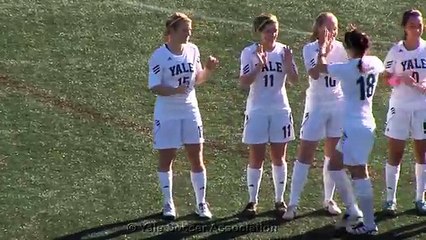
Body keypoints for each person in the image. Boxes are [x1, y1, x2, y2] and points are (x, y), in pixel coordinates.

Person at [147, 12, 219, 220]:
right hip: (167, 113)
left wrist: (208, 70)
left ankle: (201, 203)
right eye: (185, 30)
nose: (189, 34)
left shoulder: (193, 50)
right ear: (172, 31)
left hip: (190, 110)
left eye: (190, 30)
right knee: (166, 158)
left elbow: (197, 79)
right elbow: (155, 87)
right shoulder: (158, 56)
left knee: (196, 157)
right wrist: (174, 91)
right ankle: (168, 204)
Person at [315, 26, 384, 235]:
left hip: (356, 128)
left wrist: (323, 49)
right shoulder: (374, 63)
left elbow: (321, 67)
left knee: (359, 173)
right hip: (362, 125)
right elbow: (378, 67)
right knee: (335, 166)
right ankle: (354, 209)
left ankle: (370, 224)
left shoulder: (345, 69)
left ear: (348, 48)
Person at [283, 12, 348, 220]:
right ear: (318, 28)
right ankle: (293, 203)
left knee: (333, 154)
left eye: (335, 28)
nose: (333, 32)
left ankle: (328, 199)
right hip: (317, 105)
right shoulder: (309, 48)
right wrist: (323, 50)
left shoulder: (342, 49)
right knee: (306, 153)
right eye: (329, 27)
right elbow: (314, 73)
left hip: (337, 104)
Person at [239, 13, 298, 218]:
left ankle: (279, 200)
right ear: (259, 32)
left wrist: (289, 63)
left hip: (280, 109)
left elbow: (294, 80)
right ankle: (252, 201)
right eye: (268, 31)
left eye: (275, 30)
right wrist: (259, 65)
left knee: (279, 157)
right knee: (256, 157)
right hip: (257, 110)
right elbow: (244, 81)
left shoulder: (284, 51)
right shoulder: (249, 52)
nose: (272, 34)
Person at [382, 9, 426, 216]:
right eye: (412, 26)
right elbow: (385, 79)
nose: (416, 30)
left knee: (422, 153)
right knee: (395, 153)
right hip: (399, 107)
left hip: (423, 108)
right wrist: (401, 80)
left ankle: (420, 198)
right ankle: (390, 200)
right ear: (404, 28)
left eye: (419, 25)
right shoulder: (396, 51)